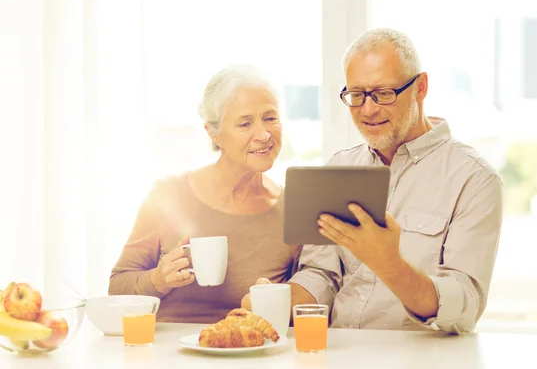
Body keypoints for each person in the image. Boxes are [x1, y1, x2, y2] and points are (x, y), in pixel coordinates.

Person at [242, 28, 503, 334]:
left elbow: (465, 307)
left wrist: (390, 264)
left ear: (421, 87)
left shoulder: (474, 178)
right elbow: (321, 276)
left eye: (383, 93)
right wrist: (275, 302)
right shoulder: (339, 167)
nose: (367, 110)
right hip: (337, 353)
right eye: (356, 95)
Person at [109, 64, 301, 324]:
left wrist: (277, 300)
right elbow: (117, 288)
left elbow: (308, 304)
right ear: (213, 133)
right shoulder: (168, 194)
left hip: (253, 354)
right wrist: (159, 280)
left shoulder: (293, 209)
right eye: (245, 123)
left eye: (270, 118)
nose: (264, 134)